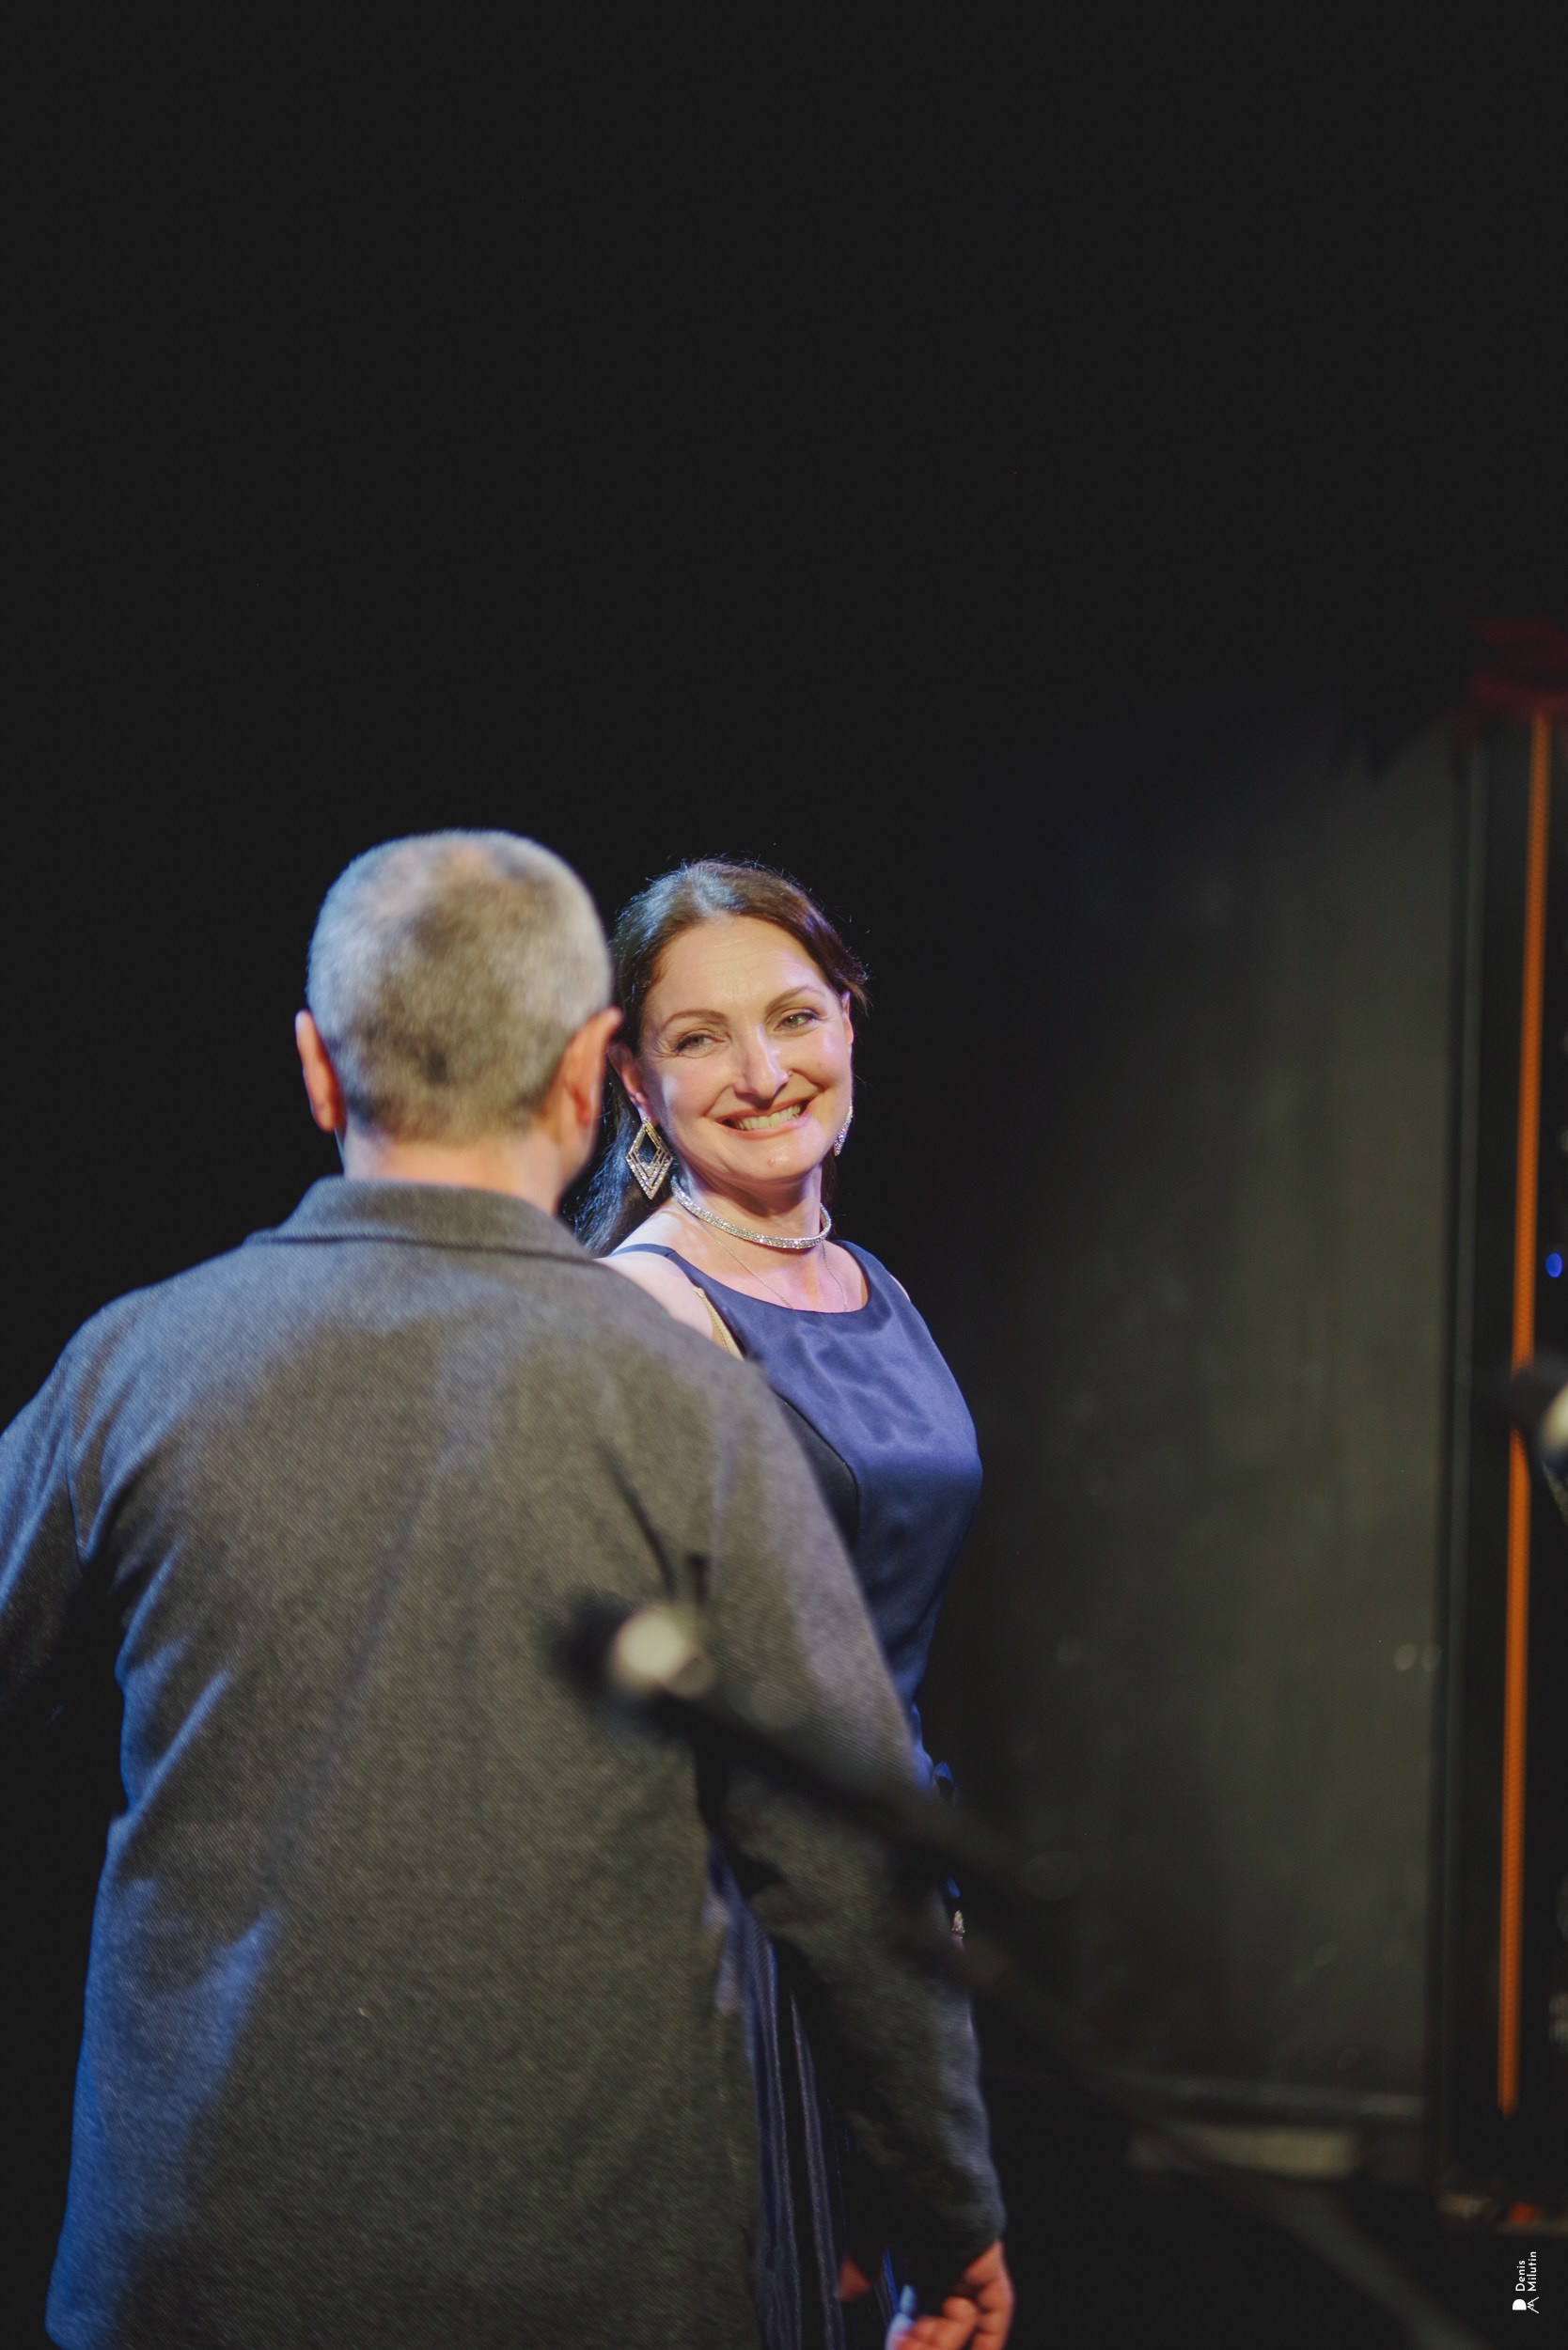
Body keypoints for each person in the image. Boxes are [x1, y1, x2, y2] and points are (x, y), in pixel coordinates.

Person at [0, 832, 1011, 2350]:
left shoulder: (131, 1370)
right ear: (594, 1072)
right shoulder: (685, 1396)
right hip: (586, 2265)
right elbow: (842, 1851)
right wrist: (948, 2210)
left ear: (317, 1069)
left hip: (189, 2266)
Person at [576, 859, 1000, 2349]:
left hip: (878, 1905)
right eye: (700, 1039)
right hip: (737, 1935)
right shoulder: (644, 1308)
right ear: (635, 1082)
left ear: (850, 1022)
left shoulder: (869, 1282)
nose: (763, 1074)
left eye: (795, 1017)